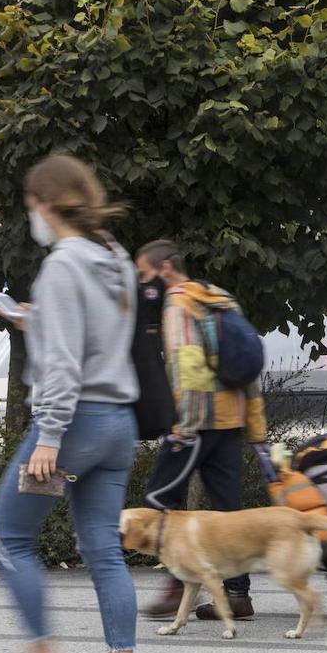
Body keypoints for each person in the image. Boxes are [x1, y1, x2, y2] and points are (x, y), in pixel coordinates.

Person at [0, 155, 145, 653]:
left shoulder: (61, 266)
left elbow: (64, 368)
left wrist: (48, 438)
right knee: (103, 549)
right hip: (117, 423)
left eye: (32, 206)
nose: (33, 216)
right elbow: (99, 335)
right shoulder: (115, 257)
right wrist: (40, 319)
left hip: (72, 426)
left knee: (7, 536)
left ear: (48, 204)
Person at [136, 239, 267, 621]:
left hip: (197, 422)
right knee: (229, 513)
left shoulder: (179, 304)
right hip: (230, 419)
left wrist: (183, 428)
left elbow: (188, 368)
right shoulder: (218, 296)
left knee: (160, 500)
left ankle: (180, 583)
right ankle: (238, 596)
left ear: (162, 271)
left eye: (143, 274)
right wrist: (256, 426)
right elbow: (250, 367)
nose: (141, 283)